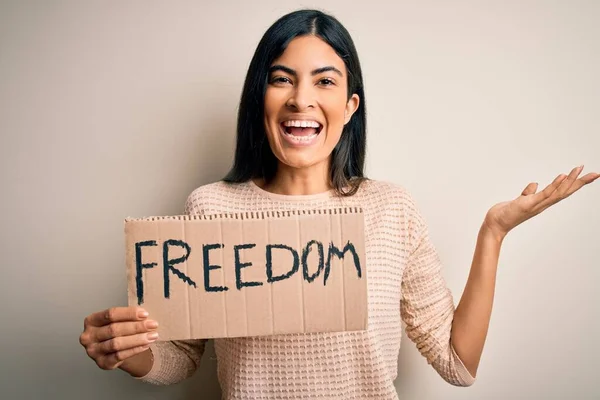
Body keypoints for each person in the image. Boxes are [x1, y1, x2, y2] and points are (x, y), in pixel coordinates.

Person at [79, 9, 599, 399]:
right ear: (259, 97)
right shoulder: (210, 207)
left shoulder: (391, 210)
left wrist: (493, 233)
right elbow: (181, 361)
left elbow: (456, 364)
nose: (301, 98)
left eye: (324, 81)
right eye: (281, 79)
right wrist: (128, 351)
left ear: (350, 106)